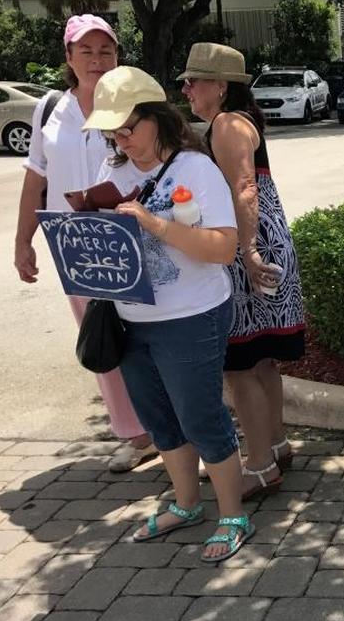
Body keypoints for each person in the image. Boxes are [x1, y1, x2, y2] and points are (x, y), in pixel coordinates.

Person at [83, 66, 254, 563]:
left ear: (157, 118)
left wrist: (153, 223)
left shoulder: (195, 169)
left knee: (201, 416)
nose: (122, 140)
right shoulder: (111, 173)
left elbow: (223, 248)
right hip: (130, 318)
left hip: (191, 315)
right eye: (113, 132)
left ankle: (232, 514)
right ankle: (185, 503)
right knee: (160, 420)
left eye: (129, 128)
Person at [13, 15, 156, 472]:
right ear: (69, 57)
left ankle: (172, 429)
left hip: (126, 238)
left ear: (118, 56)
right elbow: (37, 176)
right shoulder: (50, 108)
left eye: (106, 51)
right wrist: (23, 241)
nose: (97, 60)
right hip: (72, 245)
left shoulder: (135, 103)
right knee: (102, 337)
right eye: (86, 51)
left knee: (149, 337)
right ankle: (135, 434)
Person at [179, 43, 305, 498]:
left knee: (241, 364)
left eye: (195, 81)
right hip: (264, 242)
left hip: (246, 248)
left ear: (221, 86)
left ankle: (259, 465)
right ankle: (276, 444)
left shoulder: (228, 125)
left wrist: (246, 252)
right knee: (263, 358)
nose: (187, 88)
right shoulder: (236, 122)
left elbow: (245, 189)